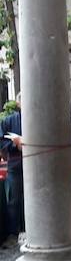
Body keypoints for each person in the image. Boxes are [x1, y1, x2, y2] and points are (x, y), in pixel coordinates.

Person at [0, 93, 24, 247]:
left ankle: (31, 230)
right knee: (14, 199)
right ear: (18, 102)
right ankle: (13, 233)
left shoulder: (38, 118)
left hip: (36, 163)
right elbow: (1, 141)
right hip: (15, 164)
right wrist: (14, 144)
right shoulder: (8, 121)